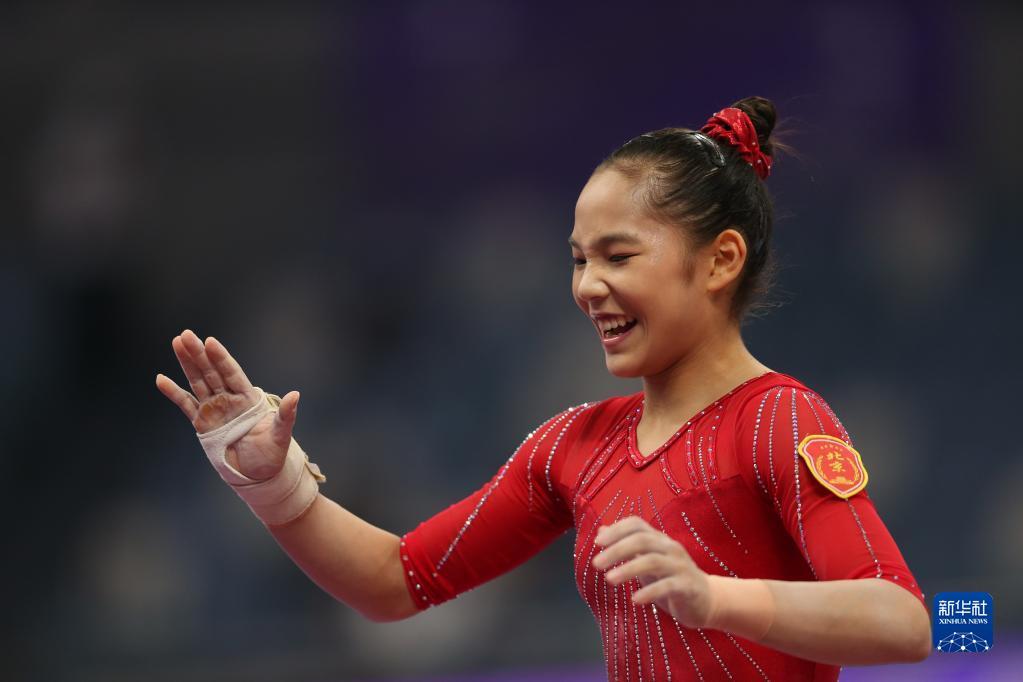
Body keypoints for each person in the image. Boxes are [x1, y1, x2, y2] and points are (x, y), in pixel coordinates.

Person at [156, 96, 931, 680]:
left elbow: (902, 620)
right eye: (577, 260)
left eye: (617, 257)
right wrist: (274, 487)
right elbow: (396, 582)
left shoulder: (774, 419)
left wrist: (714, 597)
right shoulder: (572, 446)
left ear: (720, 261)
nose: (587, 286)